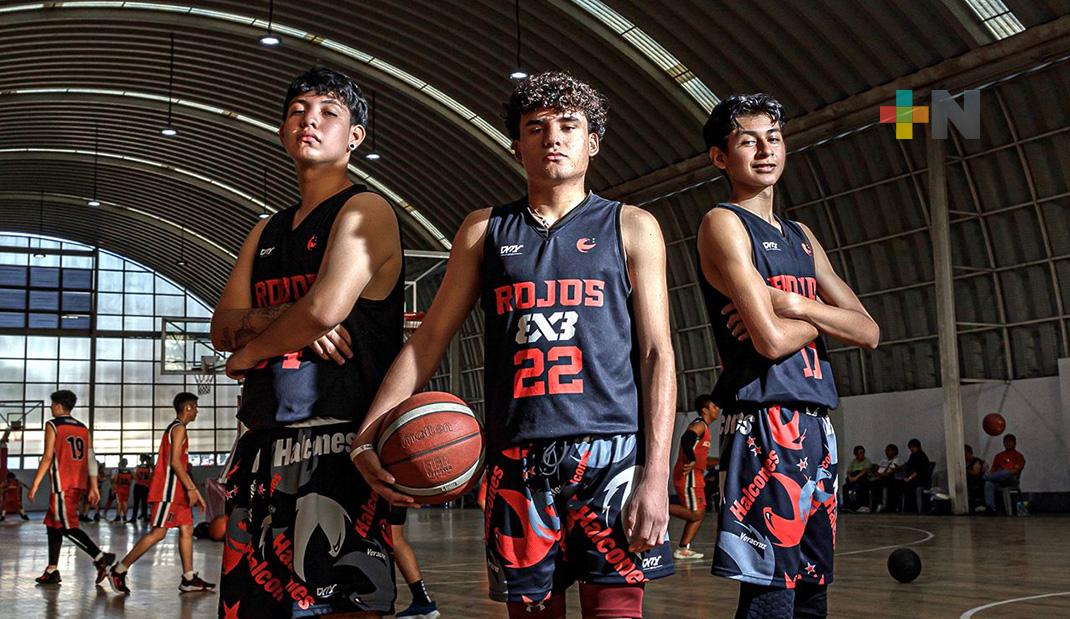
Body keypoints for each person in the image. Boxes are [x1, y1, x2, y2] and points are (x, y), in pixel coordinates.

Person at [353, 71, 677, 619]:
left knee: (618, 613)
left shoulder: (632, 226)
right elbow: (429, 338)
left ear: (592, 143)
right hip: (517, 460)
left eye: (568, 126)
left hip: (611, 454)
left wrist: (655, 473)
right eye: (536, 127)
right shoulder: (485, 230)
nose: (553, 137)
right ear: (516, 145)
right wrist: (367, 434)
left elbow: (657, 354)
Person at [211, 66, 405, 617]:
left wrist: (254, 348)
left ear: (355, 136)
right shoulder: (265, 231)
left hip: (338, 443)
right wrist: (286, 323)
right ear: (281, 129)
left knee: (342, 606)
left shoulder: (366, 210)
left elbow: (325, 308)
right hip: (262, 444)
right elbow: (221, 325)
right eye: (297, 111)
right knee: (251, 609)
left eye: (328, 113)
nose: (309, 122)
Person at [694, 93, 879, 618]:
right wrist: (821, 318)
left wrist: (798, 303)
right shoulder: (723, 223)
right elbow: (769, 342)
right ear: (719, 157)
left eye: (773, 138)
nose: (764, 150)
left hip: (817, 422)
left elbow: (868, 330)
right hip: (763, 420)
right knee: (771, 591)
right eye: (747, 140)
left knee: (812, 589)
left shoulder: (802, 235)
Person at [108, 393, 214, 594]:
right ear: (188, 408)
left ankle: (188, 578)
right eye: (196, 407)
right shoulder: (179, 428)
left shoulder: (178, 428)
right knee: (158, 533)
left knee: (187, 530)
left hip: (178, 492)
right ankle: (119, 570)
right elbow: (174, 462)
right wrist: (191, 488)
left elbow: (180, 464)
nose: (197, 411)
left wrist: (194, 492)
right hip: (169, 492)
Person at [27, 390, 115, 585]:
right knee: (53, 525)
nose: (51, 407)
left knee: (67, 527)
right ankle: (52, 570)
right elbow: (91, 457)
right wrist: (93, 486)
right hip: (78, 483)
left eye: (52, 404)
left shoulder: (53, 425)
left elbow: (48, 457)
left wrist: (34, 484)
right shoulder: (83, 428)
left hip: (62, 484)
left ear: (59, 406)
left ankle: (101, 557)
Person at [669, 395, 719, 560]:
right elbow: (686, 438)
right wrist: (690, 459)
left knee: (700, 513)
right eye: (713, 406)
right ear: (705, 410)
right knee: (695, 514)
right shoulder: (700, 424)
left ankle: (683, 548)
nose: (717, 409)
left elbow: (703, 460)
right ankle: (662, 507)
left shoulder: (706, 429)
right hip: (688, 477)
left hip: (696, 478)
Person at [389, 507, 440, 619]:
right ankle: (421, 599)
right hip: (396, 493)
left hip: (381, 495)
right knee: (395, 538)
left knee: (393, 538)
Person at [982, 434, 1025, 514]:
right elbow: (993, 471)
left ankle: (983, 478)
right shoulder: (999, 456)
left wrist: (1005, 472)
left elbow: (1015, 471)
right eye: (1006, 442)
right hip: (999, 479)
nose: (1007, 443)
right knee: (988, 483)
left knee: (1006, 472)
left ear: (1014, 443)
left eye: (1010, 442)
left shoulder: (1019, 456)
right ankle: (990, 508)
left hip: (1011, 479)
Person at [902, 439, 932, 513]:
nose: (911, 449)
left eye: (913, 447)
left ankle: (915, 509)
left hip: (920, 479)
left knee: (909, 486)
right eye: (910, 448)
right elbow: (908, 465)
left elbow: (919, 471)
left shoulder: (921, 456)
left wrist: (909, 478)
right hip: (913, 478)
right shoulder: (913, 455)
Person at [870, 444, 901, 512]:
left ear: (894, 451)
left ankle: (882, 505)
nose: (886, 452)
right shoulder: (883, 461)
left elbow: (891, 471)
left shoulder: (896, 460)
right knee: (871, 483)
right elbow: (877, 469)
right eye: (886, 450)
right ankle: (873, 505)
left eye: (888, 450)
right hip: (880, 476)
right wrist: (875, 473)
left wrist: (881, 475)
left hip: (889, 478)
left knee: (880, 483)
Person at [843, 446, 872, 512]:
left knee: (860, 485)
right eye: (860, 453)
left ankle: (861, 506)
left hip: (861, 478)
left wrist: (855, 478)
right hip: (853, 478)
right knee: (845, 487)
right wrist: (850, 477)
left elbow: (864, 471)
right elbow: (849, 471)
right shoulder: (854, 461)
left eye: (862, 453)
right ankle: (847, 506)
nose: (862, 455)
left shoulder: (866, 461)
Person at [111, 458, 134, 523]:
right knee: (125, 502)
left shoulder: (118, 471)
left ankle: (118, 517)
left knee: (119, 503)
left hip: (119, 489)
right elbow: (134, 478)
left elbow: (115, 480)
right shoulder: (130, 471)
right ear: (127, 464)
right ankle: (124, 517)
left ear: (120, 463)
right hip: (127, 488)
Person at [964, 444, 985, 511]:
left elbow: (976, 473)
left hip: (976, 481)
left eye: (966, 453)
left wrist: (965, 470)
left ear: (970, 453)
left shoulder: (976, 461)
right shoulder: (964, 462)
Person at [131, 454, 152, 523]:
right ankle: (145, 518)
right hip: (145, 486)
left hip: (138, 486)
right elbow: (151, 477)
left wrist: (138, 479)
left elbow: (133, 476)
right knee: (144, 503)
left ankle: (134, 518)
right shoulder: (149, 468)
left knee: (136, 503)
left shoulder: (137, 467)